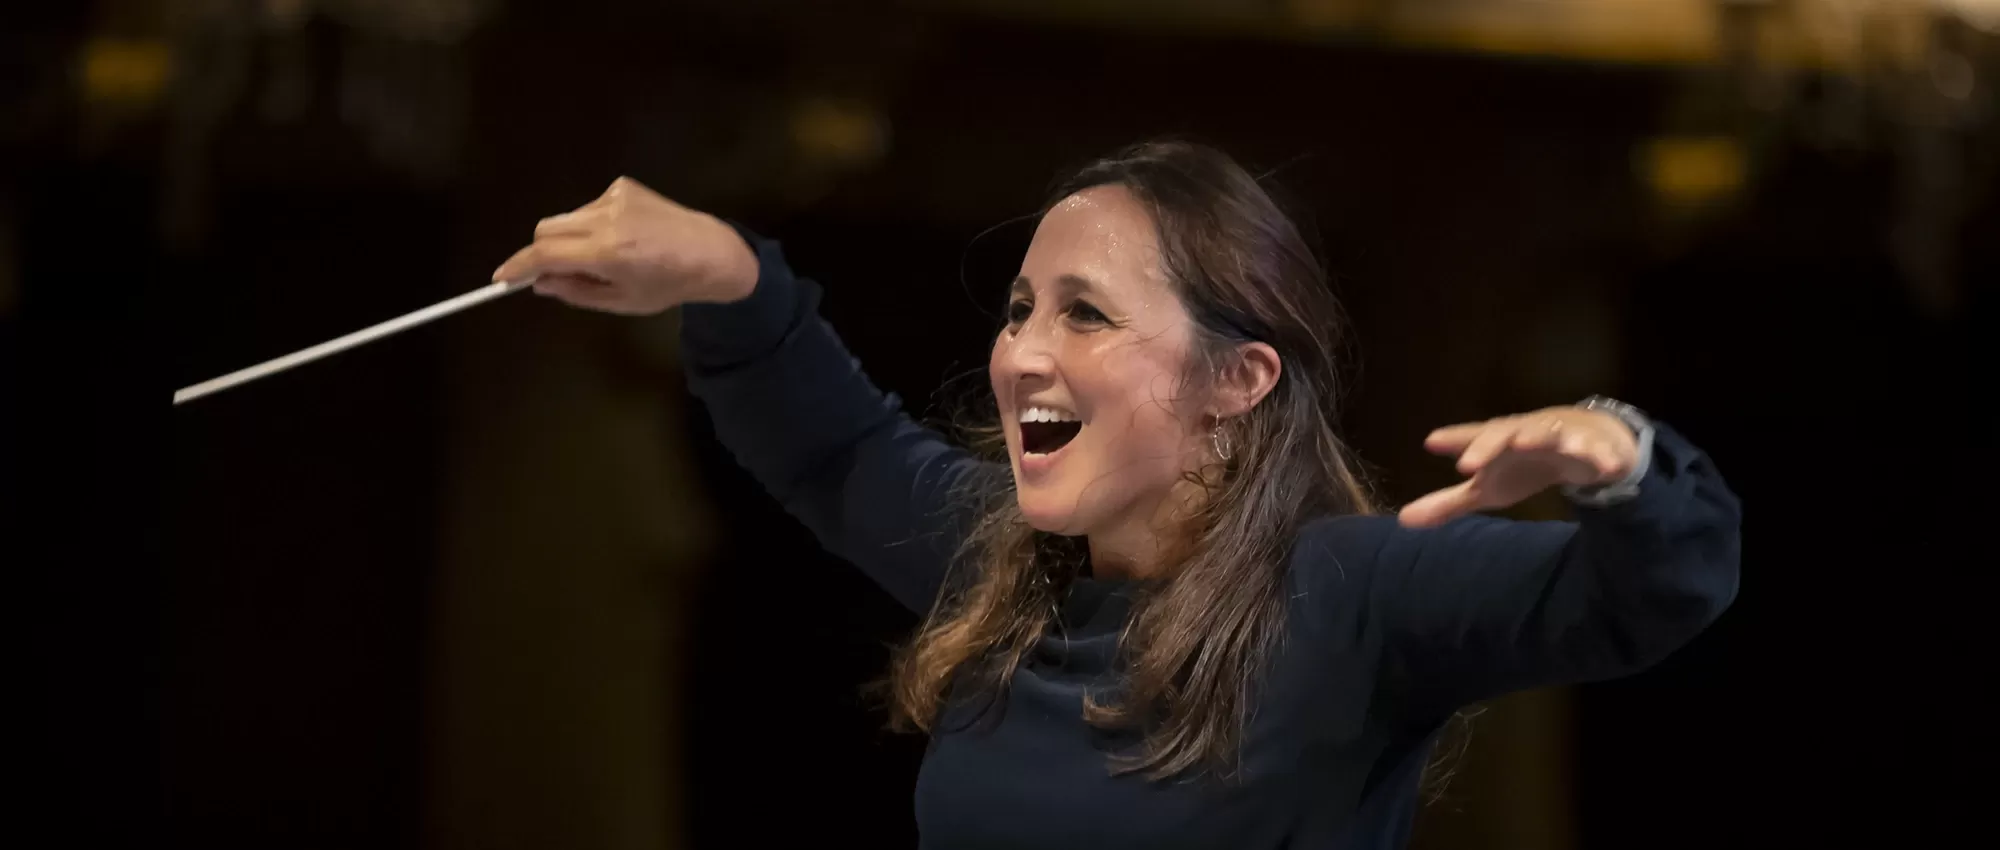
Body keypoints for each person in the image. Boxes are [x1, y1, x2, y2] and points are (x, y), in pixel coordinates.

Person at [492, 140, 1741, 849]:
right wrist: (723, 273)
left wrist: (1619, 455)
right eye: (1022, 308)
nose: (1022, 351)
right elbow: (834, 452)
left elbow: (1643, 597)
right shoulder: (1011, 571)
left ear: (1235, 378)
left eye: (1084, 313)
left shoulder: (1344, 590)